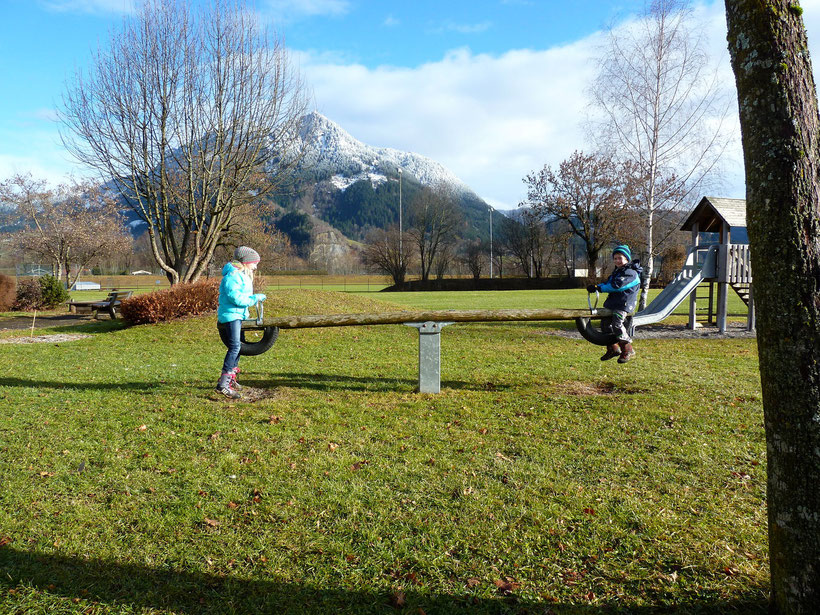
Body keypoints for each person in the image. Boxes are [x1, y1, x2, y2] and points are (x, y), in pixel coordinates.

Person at [216, 246, 266, 399]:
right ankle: (223, 384)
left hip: (239, 315)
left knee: (238, 346)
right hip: (231, 316)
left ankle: (231, 378)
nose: (256, 266)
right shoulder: (233, 276)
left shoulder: (242, 275)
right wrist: (254, 299)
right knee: (235, 346)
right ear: (246, 261)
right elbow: (235, 298)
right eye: (254, 263)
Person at [586, 245, 643, 363]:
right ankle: (613, 348)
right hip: (613, 303)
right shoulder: (617, 272)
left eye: (620, 258)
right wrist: (597, 287)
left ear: (627, 259)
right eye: (615, 258)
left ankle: (628, 349)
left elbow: (617, 286)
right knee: (605, 324)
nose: (617, 260)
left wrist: (600, 289)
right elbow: (608, 283)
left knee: (617, 324)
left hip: (624, 303)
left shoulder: (631, 273)